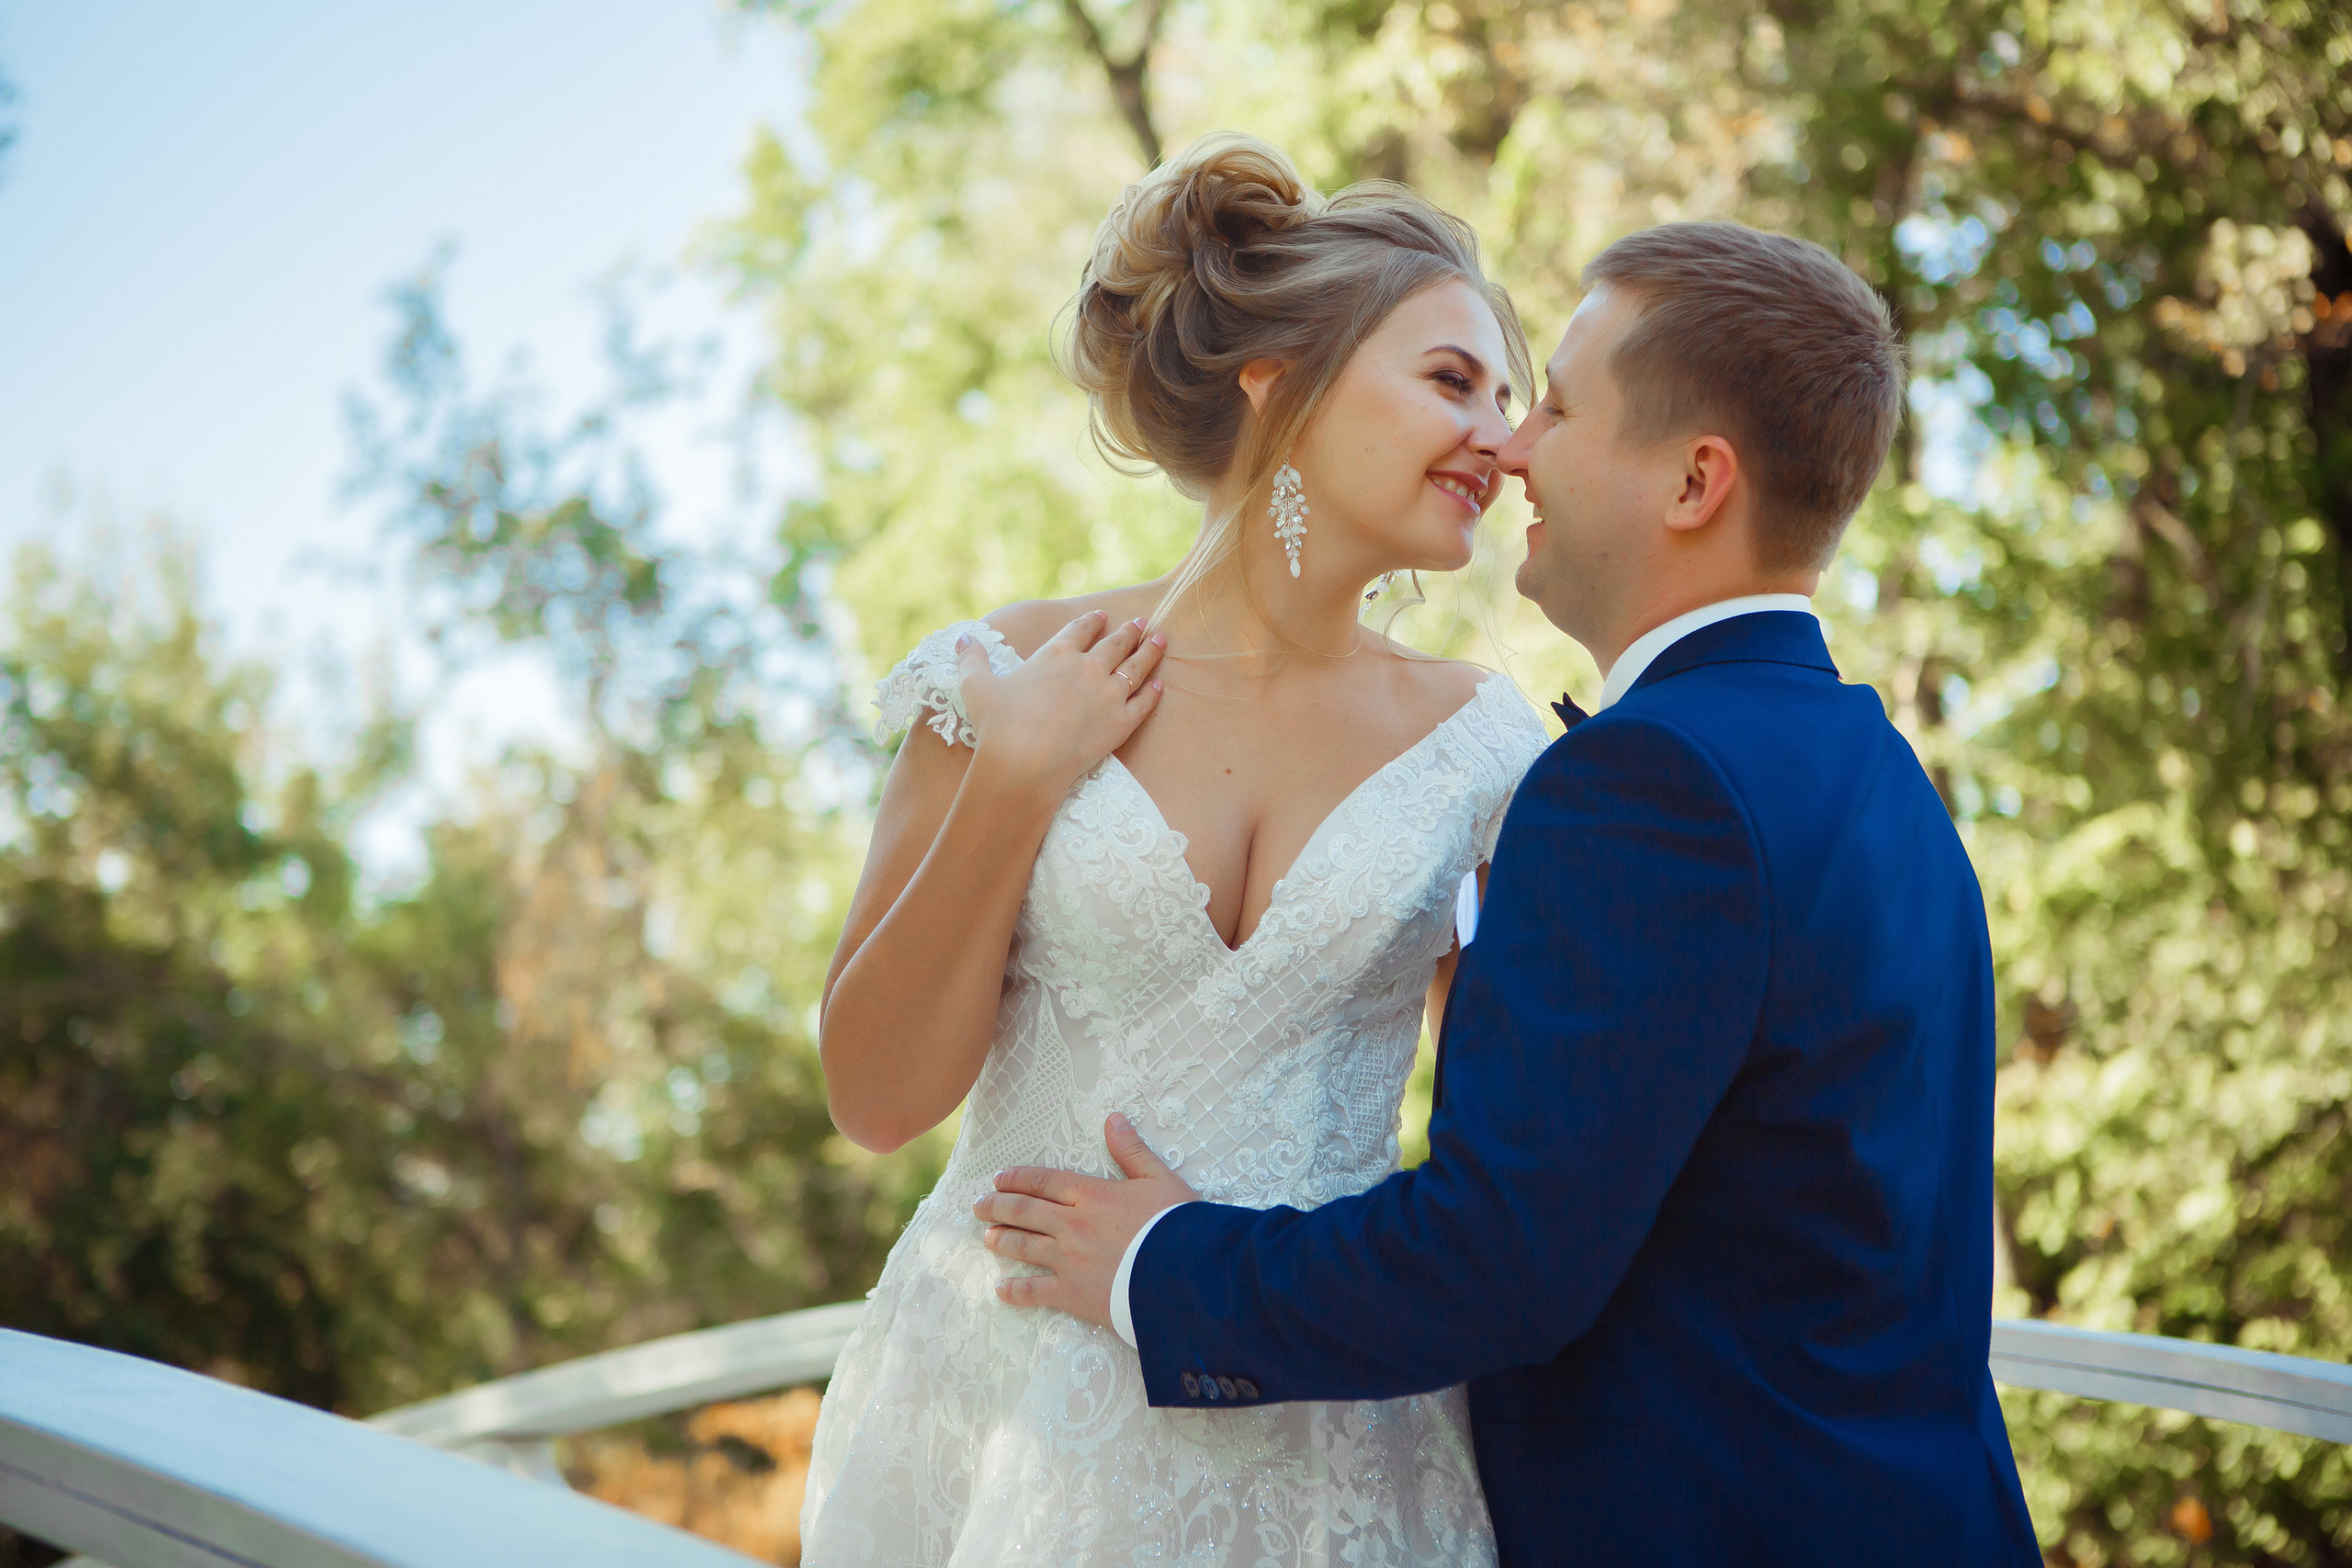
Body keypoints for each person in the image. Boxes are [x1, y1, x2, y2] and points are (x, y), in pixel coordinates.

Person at [975, 221, 2045, 1565]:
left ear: (1695, 481)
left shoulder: (1653, 780)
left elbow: (1502, 1260)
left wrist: (1160, 1265)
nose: (1515, 447)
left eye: (1557, 405)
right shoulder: (1882, 774)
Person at [797, 132, 1550, 1565]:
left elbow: (1505, 1178)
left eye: (1508, 399)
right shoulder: (1005, 673)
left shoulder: (1490, 755)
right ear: (1282, 383)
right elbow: (880, 1098)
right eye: (1453, 379)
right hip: (990, 1409)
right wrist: (1015, 782)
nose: (1503, 440)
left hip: (1331, 1439)